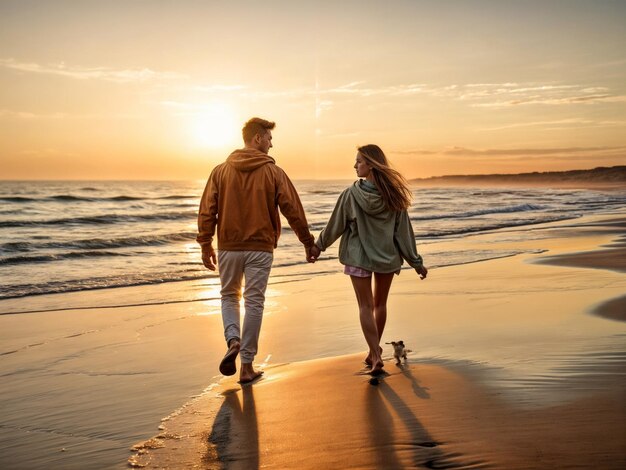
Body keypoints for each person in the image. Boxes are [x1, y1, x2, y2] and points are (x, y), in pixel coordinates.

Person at [197, 117, 317, 383]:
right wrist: (307, 242)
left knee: (229, 296)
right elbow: (293, 210)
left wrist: (206, 243)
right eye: (269, 138)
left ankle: (233, 340)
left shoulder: (220, 171)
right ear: (257, 138)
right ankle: (247, 366)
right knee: (254, 301)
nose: (272, 144)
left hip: (228, 246)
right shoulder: (274, 172)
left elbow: (207, 210)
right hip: (260, 248)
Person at [311, 144, 428, 375]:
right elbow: (403, 234)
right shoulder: (394, 197)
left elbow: (335, 226)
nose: (355, 165)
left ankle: (375, 354)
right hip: (387, 257)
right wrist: (416, 262)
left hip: (358, 257)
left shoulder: (351, 195)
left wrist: (318, 247)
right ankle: (374, 352)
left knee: (365, 306)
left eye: (359, 161)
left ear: (371, 165)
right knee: (380, 304)